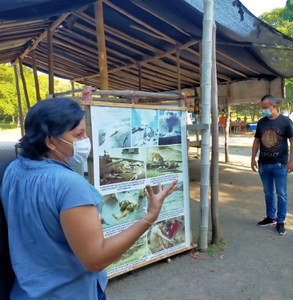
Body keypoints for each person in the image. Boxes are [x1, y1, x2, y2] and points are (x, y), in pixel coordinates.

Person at [0, 98, 177, 299]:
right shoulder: (69, 185)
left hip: (25, 291)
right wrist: (150, 217)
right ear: (50, 141)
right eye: (78, 135)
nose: (86, 140)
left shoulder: (13, 169)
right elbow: (96, 259)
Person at [251, 94, 293, 235]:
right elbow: (257, 141)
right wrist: (253, 158)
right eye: (262, 108)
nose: (264, 110)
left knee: (281, 193)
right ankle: (270, 217)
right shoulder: (261, 122)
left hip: (279, 165)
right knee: (268, 193)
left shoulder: (285, 121)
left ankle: (281, 220)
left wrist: (292, 160)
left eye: (266, 108)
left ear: (274, 106)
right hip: (264, 164)